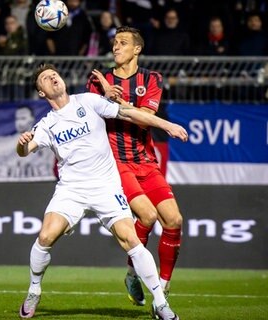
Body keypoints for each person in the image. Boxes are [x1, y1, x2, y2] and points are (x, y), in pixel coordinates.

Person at [18, 63, 187, 319]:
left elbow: (131, 114)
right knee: (45, 237)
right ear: (41, 92)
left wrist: (166, 125)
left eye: (54, 73)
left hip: (106, 186)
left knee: (131, 241)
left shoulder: (88, 101)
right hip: (72, 190)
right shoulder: (47, 125)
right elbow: (24, 151)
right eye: (45, 78)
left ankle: (161, 303)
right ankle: (34, 290)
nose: (52, 77)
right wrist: (21, 145)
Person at [86, 26, 183, 310]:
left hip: (145, 160)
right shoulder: (98, 80)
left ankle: (161, 287)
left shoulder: (151, 78)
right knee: (148, 215)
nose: (116, 47)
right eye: (115, 42)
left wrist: (118, 100)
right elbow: (91, 118)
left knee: (174, 220)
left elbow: (144, 121)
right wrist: (106, 95)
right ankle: (137, 277)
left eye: (123, 43)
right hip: (116, 161)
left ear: (136, 49)